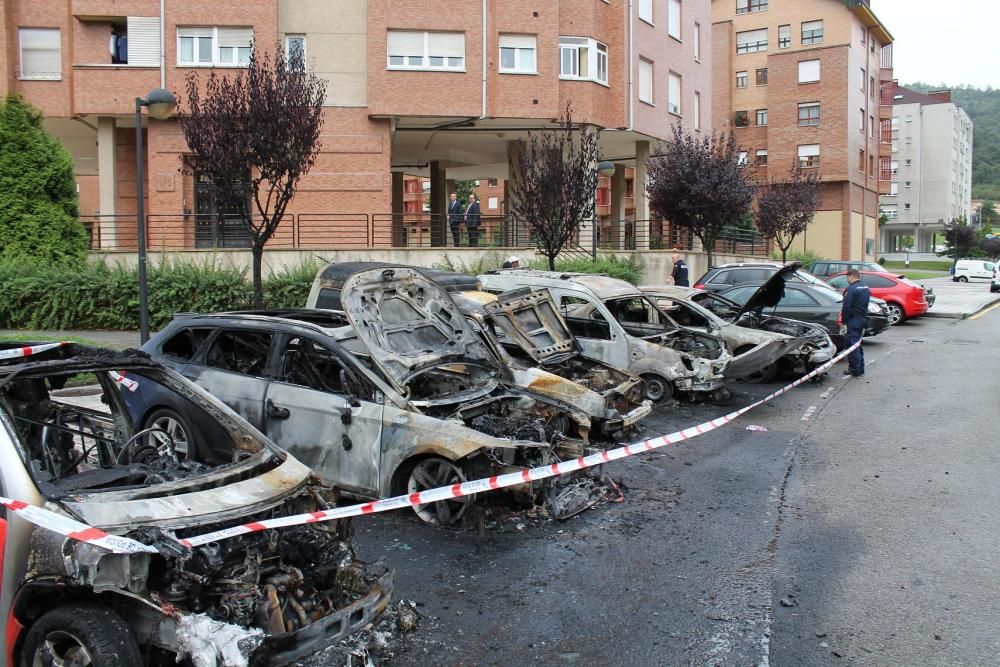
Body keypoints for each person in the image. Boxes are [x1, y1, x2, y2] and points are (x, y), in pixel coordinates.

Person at [841, 269, 871, 377]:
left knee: (851, 345)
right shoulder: (866, 288)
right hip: (862, 319)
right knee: (857, 344)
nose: (847, 280)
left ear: (851, 276)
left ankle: (855, 369)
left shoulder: (851, 289)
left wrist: (844, 322)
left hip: (852, 321)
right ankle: (860, 367)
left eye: (847, 278)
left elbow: (846, 307)